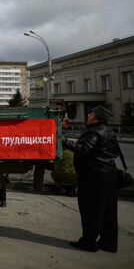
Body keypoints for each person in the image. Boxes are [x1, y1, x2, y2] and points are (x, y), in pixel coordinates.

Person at [62, 106, 119, 253]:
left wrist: (62, 140)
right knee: (108, 212)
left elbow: (82, 148)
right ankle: (109, 243)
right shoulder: (109, 131)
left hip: (94, 177)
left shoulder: (95, 132)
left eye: (91, 114)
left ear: (95, 118)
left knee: (90, 210)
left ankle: (88, 242)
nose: (88, 115)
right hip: (109, 176)